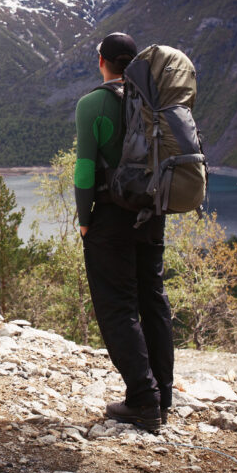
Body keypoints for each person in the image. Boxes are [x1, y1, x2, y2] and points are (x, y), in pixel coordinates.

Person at [74, 32, 173, 432]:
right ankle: (163, 397)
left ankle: (143, 402)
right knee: (152, 299)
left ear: (102, 62)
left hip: (111, 216)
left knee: (117, 306)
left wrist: (84, 218)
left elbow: (84, 168)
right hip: (152, 214)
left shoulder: (92, 104)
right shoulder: (155, 102)